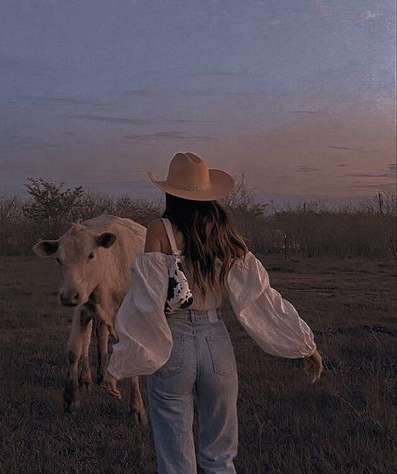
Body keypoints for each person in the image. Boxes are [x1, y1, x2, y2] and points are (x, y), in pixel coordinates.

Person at [102, 152, 323, 474]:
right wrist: (304, 344)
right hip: (216, 343)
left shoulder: (159, 230)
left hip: (173, 343)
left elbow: (146, 301)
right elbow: (260, 295)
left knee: (176, 460)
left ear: (170, 192)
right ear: (207, 193)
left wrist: (121, 361)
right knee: (220, 457)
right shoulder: (223, 232)